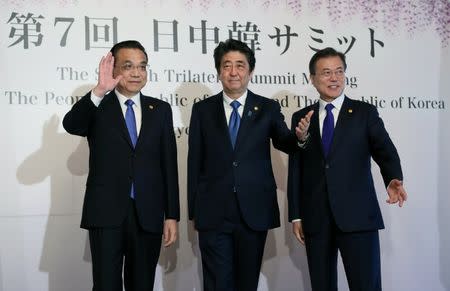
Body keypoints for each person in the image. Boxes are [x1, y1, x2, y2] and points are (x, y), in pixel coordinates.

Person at [287, 47, 408, 291]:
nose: (334, 78)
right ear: (312, 78)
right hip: (317, 217)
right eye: (327, 73)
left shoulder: (364, 113)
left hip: (358, 216)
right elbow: (296, 168)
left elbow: (385, 150)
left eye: (339, 72)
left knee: (366, 284)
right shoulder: (302, 117)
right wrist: (296, 214)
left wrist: (393, 177)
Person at [63, 40, 180, 291]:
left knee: (142, 285)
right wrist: (99, 89)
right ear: (113, 68)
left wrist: (171, 214)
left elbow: (168, 164)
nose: (136, 73)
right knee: (106, 285)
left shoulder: (159, 110)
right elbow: (72, 125)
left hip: (147, 214)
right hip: (106, 213)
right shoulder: (98, 105)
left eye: (142, 66)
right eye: (128, 66)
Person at [188, 39, 302, 291]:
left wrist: (300, 138)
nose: (233, 71)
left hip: (254, 210)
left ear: (250, 71)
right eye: (226, 65)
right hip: (213, 212)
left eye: (240, 65)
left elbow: (286, 142)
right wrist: (195, 211)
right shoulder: (202, 110)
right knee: (217, 283)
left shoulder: (268, 108)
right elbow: (194, 161)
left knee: (246, 282)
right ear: (218, 71)